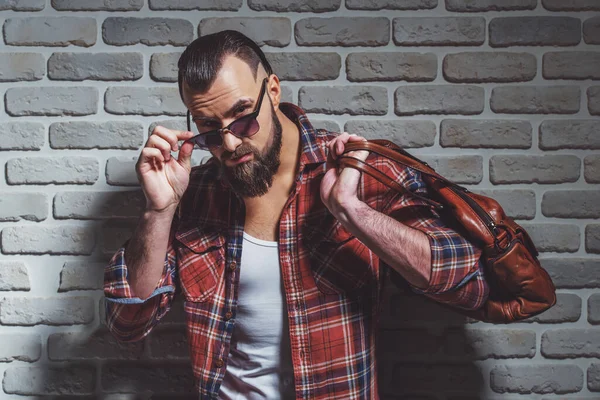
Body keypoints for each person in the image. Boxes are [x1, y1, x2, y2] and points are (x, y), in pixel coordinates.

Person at [104, 30, 490, 399]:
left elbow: (468, 282)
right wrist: (160, 210)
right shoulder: (192, 192)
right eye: (209, 128)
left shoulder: (351, 170)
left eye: (242, 116)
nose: (230, 142)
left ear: (272, 90)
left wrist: (352, 211)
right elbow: (128, 324)